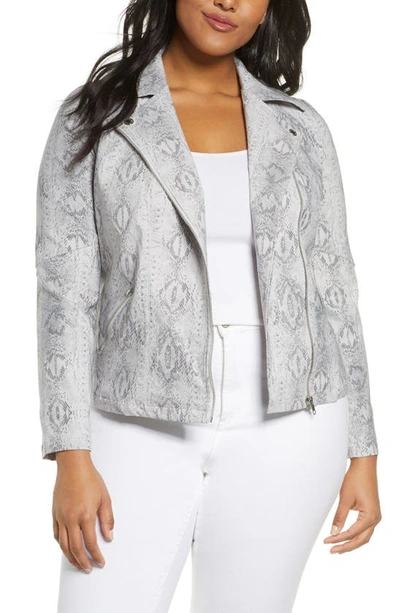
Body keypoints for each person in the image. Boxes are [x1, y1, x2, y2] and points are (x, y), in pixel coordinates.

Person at [35, 1, 382, 611]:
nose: (227, 2)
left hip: (291, 423)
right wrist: (71, 454)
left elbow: (336, 288)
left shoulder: (300, 128)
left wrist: (363, 452)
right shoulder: (98, 115)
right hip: (136, 414)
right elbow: (65, 293)